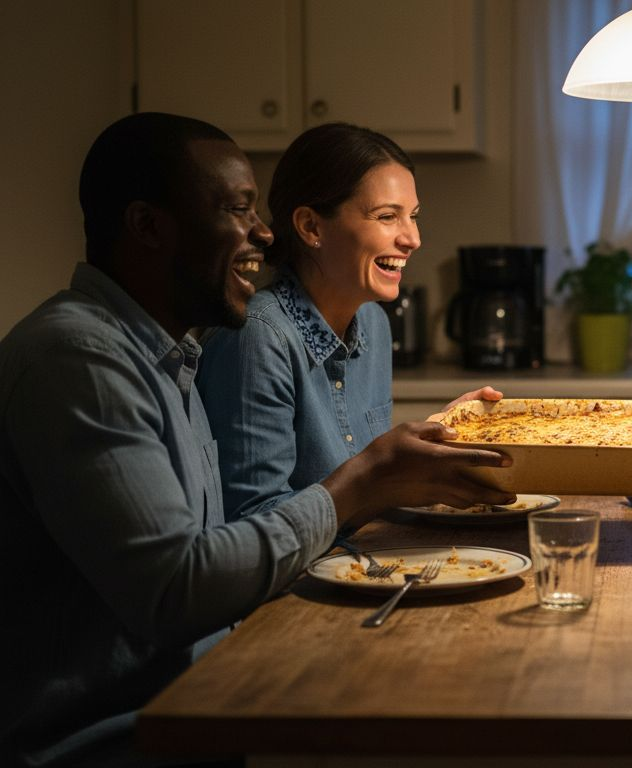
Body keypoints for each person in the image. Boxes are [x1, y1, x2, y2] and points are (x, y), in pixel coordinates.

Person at [0, 113, 513, 767]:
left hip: (207, 699)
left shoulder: (166, 354)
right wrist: (363, 480)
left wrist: (403, 467)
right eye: (237, 210)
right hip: (115, 739)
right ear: (148, 227)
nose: (263, 234)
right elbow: (178, 592)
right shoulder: (76, 360)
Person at [198, 122, 499, 519]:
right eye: (388, 216)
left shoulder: (373, 322)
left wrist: (442, 432)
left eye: (413, 216)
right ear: (310, 226)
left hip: (362, 564)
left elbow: (367, 486)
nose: (412, 238)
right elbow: (255, 520)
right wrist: (382, 474)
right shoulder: (257, 337)